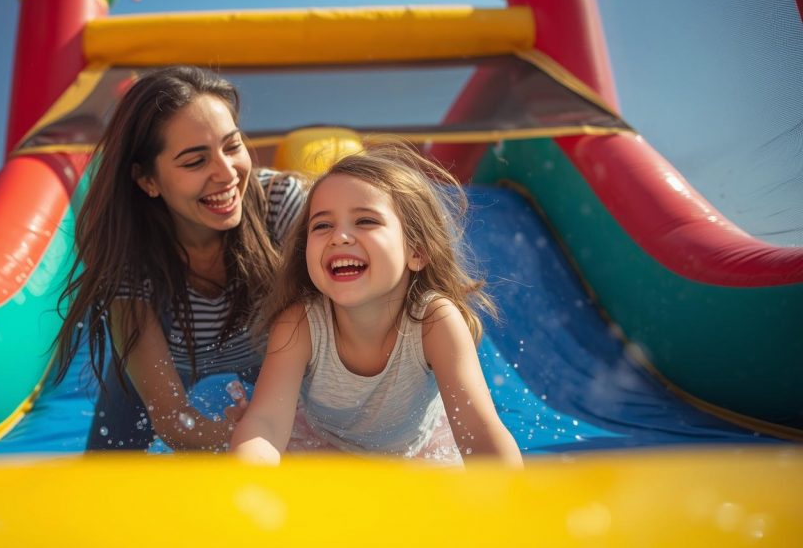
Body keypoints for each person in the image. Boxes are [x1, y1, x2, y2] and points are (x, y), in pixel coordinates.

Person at [54, 66, 306, 451]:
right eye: (195, 161)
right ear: (147, 180)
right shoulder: (130, 258)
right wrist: (251, 441)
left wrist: (286, 436)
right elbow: (174, 420)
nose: (226, 174)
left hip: (268, 354)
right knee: (108, 474)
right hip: (172, 360)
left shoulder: (281, 209)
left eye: (233, 146)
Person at [230, 144, 523, 467]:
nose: (339, 236)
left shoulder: (434, 321)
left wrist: (509, 503)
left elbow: (479, 432)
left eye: (366, 221)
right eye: (322, 225)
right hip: (321, 445)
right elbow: (267, 423)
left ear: (417, 252)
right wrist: (252, 465)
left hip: (415, 453)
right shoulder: (300, 324)